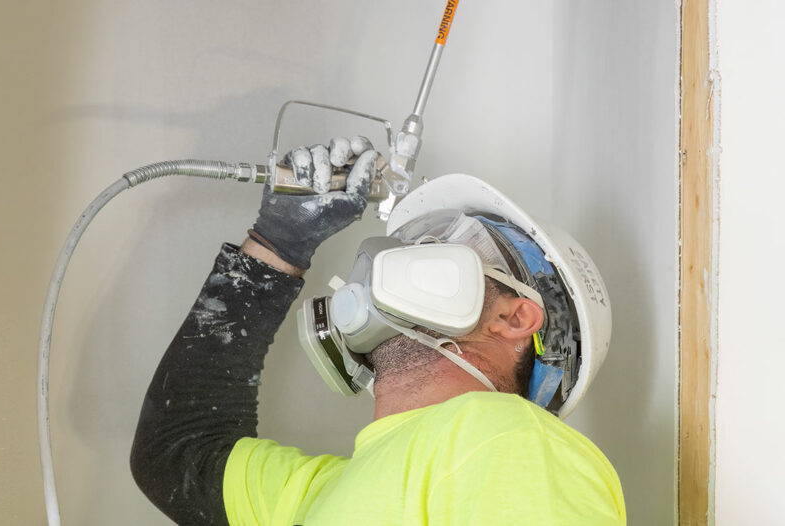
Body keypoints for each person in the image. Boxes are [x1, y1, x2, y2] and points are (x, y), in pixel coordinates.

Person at [130, 137, 626, 525]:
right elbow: (176, 452)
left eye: (441, 245)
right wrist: (276, 245)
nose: (398, 256)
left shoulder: (516, 444)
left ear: (513, 319)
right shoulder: (325, 494)